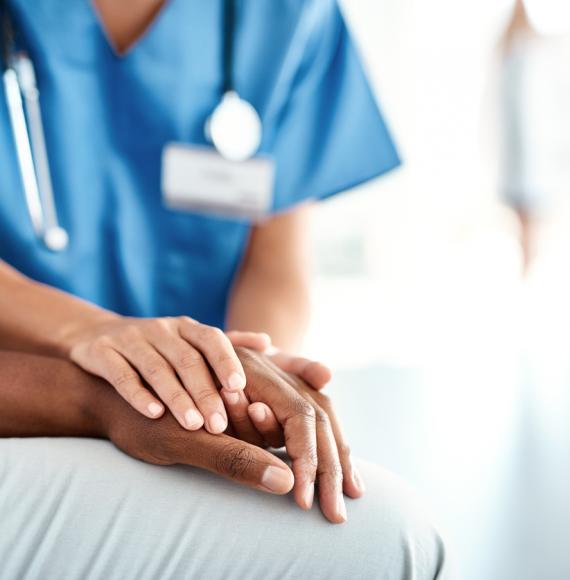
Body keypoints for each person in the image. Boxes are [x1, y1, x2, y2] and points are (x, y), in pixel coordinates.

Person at [0, 0, 449, 577]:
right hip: (26, 400)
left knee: (361, 527)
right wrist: (105, 347)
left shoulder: (287, 16)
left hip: (179, 414)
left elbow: (276, 264)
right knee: (387, 539)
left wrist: (239, 380)